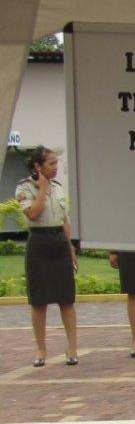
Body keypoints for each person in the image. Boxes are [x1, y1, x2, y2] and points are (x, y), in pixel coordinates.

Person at [16, 146, 78, 366]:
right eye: (51, 164)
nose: (55, 168)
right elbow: (32, 213)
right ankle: (41, 349)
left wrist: (70, 246)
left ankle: (72, 348)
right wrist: (42, 189)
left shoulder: (58, 188)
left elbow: (64, 219)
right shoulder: (24, 187)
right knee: (39, 300)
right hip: (39, 242)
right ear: (37, 166)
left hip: (59, 242)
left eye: (56, 163)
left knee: (66, 298)